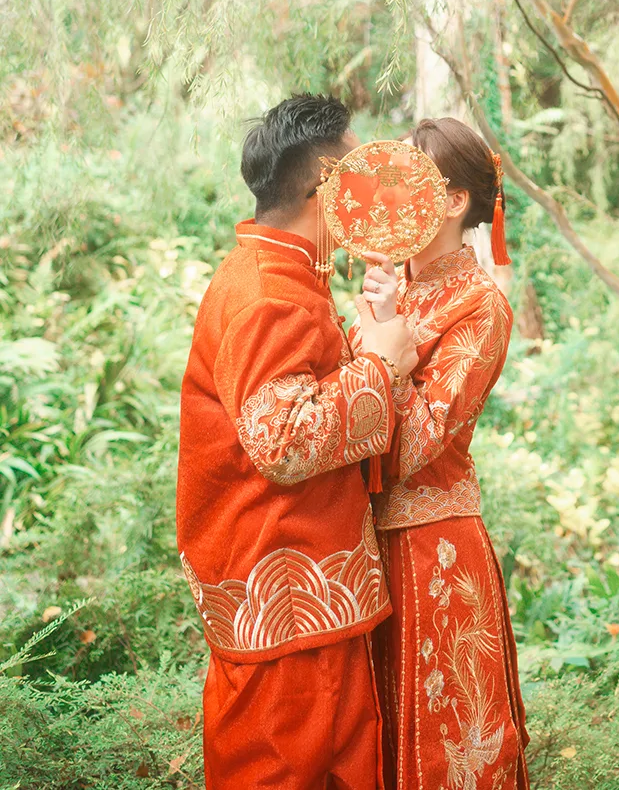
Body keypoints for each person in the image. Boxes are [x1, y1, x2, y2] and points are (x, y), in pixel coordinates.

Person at [176, 94, 418, 790]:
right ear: (325, 187)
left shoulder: (280, 274)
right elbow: (281, 440)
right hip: (286, 592)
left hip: (304, 587)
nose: (373, 196)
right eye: (360, 177)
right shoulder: (268, 294)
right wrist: (381, 365)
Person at [354, 116, 530, 790]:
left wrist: (386, 340)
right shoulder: (390, 287)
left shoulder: (482, 305)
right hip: (361, 544)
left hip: (433, 550)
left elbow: (418, 445)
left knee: (446, 749)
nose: (389, 199)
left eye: (409, 184)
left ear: (454, 201)